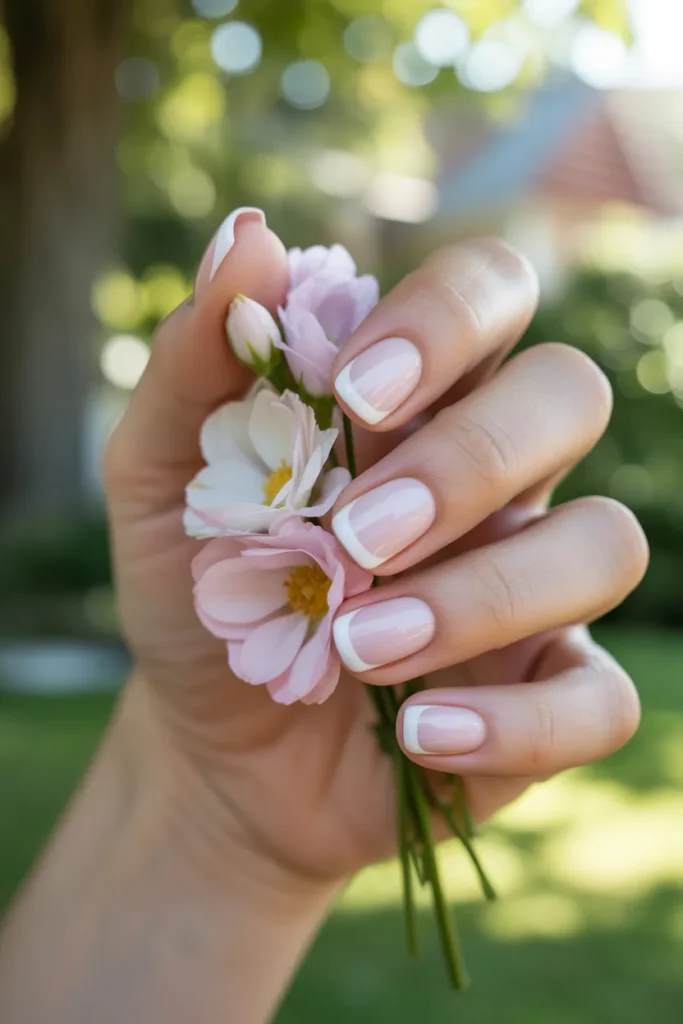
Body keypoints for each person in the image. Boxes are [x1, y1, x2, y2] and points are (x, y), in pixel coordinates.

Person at [0, 212, 648, 1023]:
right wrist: (207, 813)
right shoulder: (269, 510)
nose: (311, 588)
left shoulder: (295, 457)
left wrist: (220, 835)